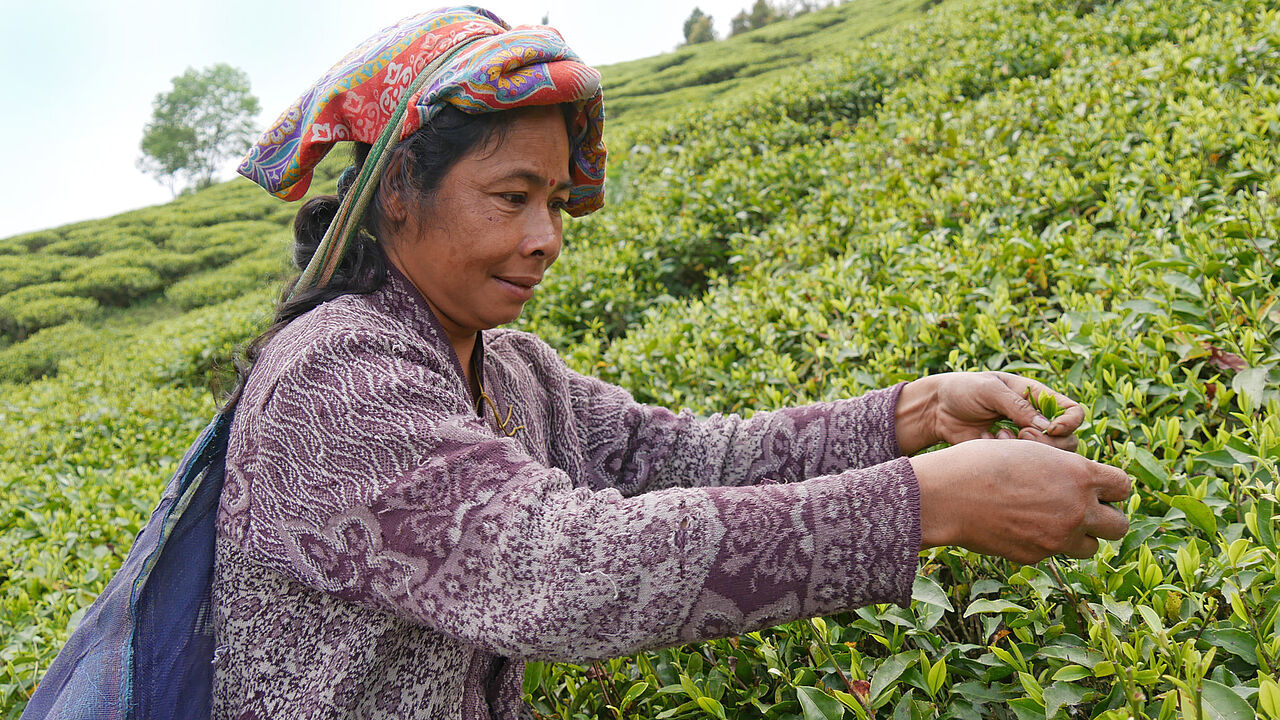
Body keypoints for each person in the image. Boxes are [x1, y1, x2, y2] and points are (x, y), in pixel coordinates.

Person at [219, 7, 1131, 719]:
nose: (546, 240)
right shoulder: (336, 380)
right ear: (398, 194)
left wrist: (916, 415)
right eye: (511, 197)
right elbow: (564, 572)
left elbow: (685, 459)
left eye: (558, 204)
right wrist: (932, 503)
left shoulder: (510, 371)